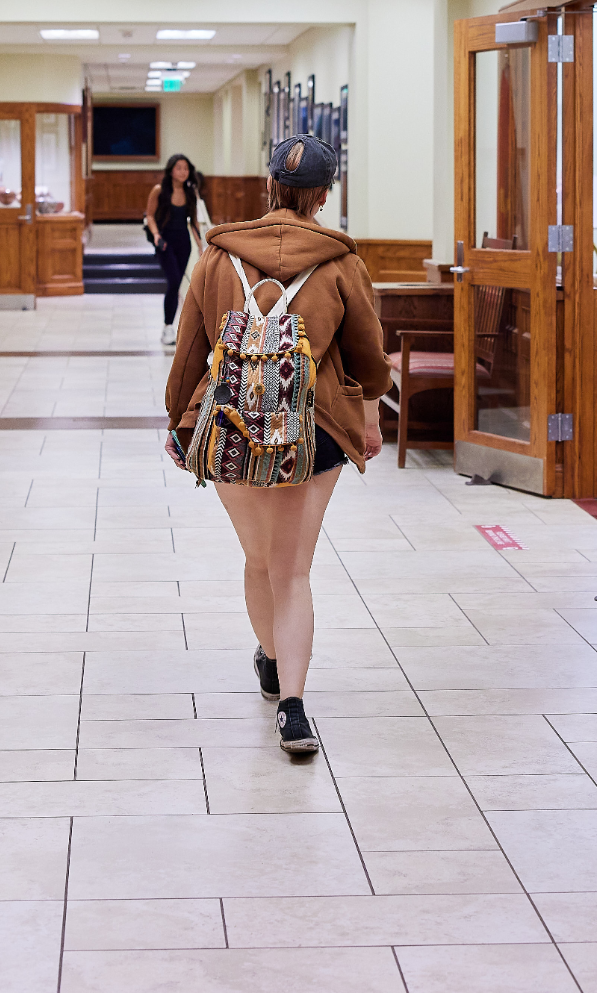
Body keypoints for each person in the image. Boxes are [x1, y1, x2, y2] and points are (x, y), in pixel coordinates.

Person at [162, 134, 389, 756]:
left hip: (233, 423)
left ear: (271, 187)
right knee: (293, 570)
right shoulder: (342, 263)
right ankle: (292, 706)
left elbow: (189, 350)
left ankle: (268, 654)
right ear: (323, 194)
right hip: (311, 433)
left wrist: (180, 423)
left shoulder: (217, 257)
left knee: (258, 560)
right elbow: (370, 360)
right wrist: (368, 419)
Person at [144, 153, 203, 347]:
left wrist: (201, 246)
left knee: (176, 284)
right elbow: (150, 216)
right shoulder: (159, 190)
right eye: (179, 168)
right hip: (165, 243)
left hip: (183, 243)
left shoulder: (190, 192)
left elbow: (193, 221)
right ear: (171, 170)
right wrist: (156, 236)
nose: (183, 172)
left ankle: (174, 326)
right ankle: (168, 327)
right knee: (173, 282)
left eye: (186, 168)